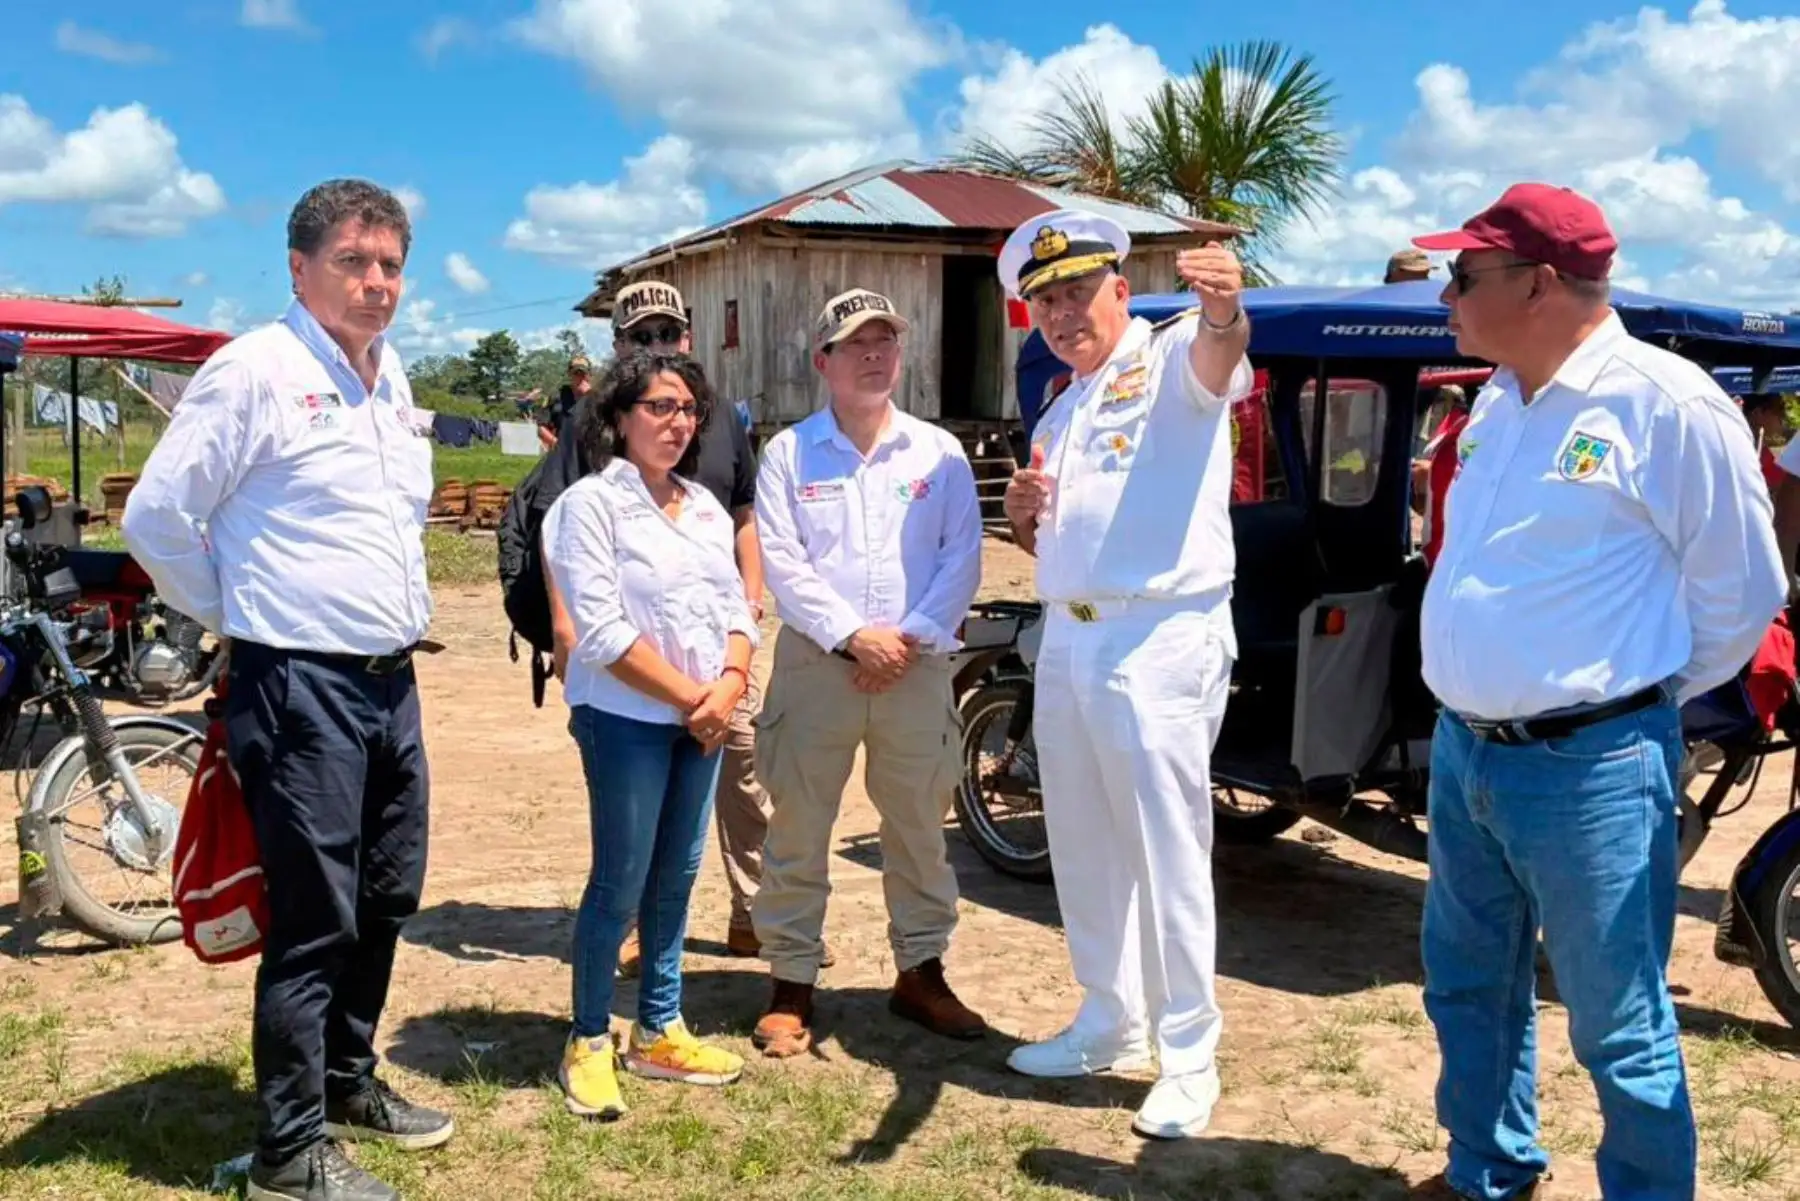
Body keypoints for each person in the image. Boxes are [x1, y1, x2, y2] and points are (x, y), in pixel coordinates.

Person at [1406, 182, 1786, 1201]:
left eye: (1464, 274)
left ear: (1536, 283)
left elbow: (1742, 592)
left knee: (1619, 1021)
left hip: (1592, 766)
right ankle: (1489, 1167)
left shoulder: (1667, 403)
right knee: (1469, 984)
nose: (1446, 293)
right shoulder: (1495, 397)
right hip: (1467, 751)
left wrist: (1623, 700)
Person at [121, 179, 450, 1201]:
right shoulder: (253, 373)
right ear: (300, 268)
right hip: (298, 684)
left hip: (389, 684)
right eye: (355, 261)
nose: (377, 282)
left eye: (391, 263)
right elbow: (158, 518)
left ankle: (347, 1082)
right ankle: (285, 1154)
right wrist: (247, 613)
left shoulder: (389, 378)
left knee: (387, 895)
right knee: (316, 918)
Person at [999, 210, 1254, 1141]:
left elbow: (1222, 354)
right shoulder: (1064, 405)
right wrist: (1027, 517)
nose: (1064, 313)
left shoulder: (1174, 354)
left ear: (1119, 289)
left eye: (1077, 292)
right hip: (1070, 633)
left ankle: (1189, 1054)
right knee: (1083, 837)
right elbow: (1064, 529)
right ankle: (1110, 1016)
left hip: (1159, 634)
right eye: (1045, 301)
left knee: (1166, 846)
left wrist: (1224, 308)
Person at [544, 279, 822, 975]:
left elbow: (743, 513)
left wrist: (749, 607)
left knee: (744, 768)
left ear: (688, 336)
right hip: (631, 655)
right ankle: (631, 924)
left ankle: (750, 909)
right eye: (641, 337)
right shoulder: (595, 423)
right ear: (618, 348)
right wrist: (562, 626)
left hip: (718, 639)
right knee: (633, 796)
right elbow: (557, 524)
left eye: (667, 333)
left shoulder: (719, 416)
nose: (656, 346)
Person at [749, 287, 984, 1057]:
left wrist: (905, 640)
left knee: (918, 824)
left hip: (914, 669)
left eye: (885, 341)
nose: (875, 355)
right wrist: (854, 635)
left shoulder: (939, 453)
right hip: (819, 666)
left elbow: (962, 557)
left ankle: (921, 970)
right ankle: (791, 980)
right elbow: (782, 562)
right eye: (856, 344)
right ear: (824, 361)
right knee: (798, 824)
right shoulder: (789, 453)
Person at [541, 350, 755, 1119]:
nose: (677, 421)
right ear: (620, 417)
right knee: (620, 881)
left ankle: (660, 1026)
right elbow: (599, 629)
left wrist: (727, 686)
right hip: (629, 719)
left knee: (677, 876)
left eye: (688, 409)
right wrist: (696, 696)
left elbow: (738, 605)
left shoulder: (701, 505)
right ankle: (590, 1037)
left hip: (701, 720)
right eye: (660, 406)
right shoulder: (589, 506)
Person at [539, 354, 593, 450]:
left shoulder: (597, 398)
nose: (580, 378)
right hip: (561, 451)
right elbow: (541, 428)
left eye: (583, 374)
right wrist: (557, 444)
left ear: (589, 375)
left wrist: (590, 395)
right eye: (576, 373)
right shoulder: (557, 396)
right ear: (569, 374)